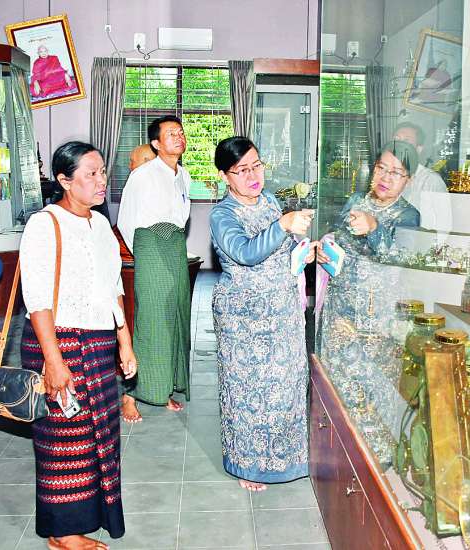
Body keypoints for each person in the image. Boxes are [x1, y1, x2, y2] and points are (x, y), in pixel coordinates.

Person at [19, 141, 137, 550]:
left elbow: (113, 286)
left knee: (99, 435)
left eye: (102, 172)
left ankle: (90, 516)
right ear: (65, 180)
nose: (102, 180)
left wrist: (124, 340)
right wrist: (53, 361)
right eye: (91, 174)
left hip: (98, 341)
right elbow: (37, 299)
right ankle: (62, 532)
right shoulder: (45, 224)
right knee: (64, 439)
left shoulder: (101, 225)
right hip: (58, 341)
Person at [209, 136, 315, 491]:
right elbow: (246, 253)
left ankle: (286, 458)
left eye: (257, 166)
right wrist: (283, 225)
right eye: (241, 170)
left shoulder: (270, 200)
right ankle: (248, 464)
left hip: (282, 310)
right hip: (244, 319)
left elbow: (281, 246)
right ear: (225, 176)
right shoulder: (222, 215)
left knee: (285, 385)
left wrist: (302, 251)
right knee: (248, 392)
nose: (253, 175)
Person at [316, 141, 421, 457]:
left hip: (376, 320)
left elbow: (400, 259)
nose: (386, 178)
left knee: (370, 390)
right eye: (381, 168)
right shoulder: (355, 201)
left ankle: (372, 460)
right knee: (334, 382)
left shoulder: (408, 215)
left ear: (408, 180)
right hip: (339, 309)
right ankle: (333, 459)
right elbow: (340, 240)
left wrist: (375, 228)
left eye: (396, 173)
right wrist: (325, 252)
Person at [117, 116, 191, 422]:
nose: (179, 136)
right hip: (150, 247)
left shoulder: (184, 175)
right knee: (150, 321)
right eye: (171, 133)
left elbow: (181, 217)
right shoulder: (142, 175)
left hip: (175, 247)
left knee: (175, 318)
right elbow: (125, 221)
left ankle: (162, 389)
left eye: (181, 132)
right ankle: (130, 395)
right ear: (156, 144)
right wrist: (146, 254)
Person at [393, 122, 453, 234]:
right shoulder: (386, 177)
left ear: (418, 149)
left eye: (406, 141)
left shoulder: (431, 180)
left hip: (421, 243)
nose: (400, 145)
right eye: (396, 140)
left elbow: (445, 225)